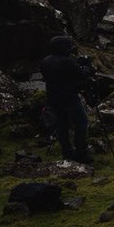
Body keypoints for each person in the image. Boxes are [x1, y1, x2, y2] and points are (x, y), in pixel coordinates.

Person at [40, 35, 92, 163]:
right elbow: (81, 76)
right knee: (81, 122)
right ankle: (80, 153)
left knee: (61, 124)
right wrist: (86, 66)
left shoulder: (46, 61)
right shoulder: (67, 62)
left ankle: (67, 152)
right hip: (70, 98)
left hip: (53, 98)